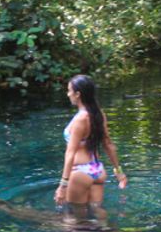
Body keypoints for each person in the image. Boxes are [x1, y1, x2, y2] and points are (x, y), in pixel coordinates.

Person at [54, 74, 127, 206]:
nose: (68, 94)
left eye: (69, 91)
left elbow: (70, 153)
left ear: (78, 94)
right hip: (97, 170)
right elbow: (108, 144)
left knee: (73, 217)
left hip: (80, 173)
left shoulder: (80, 119)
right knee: (98, 214)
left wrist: (63, 185)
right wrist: (119, 172)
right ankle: (108, 227)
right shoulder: (98, 114)